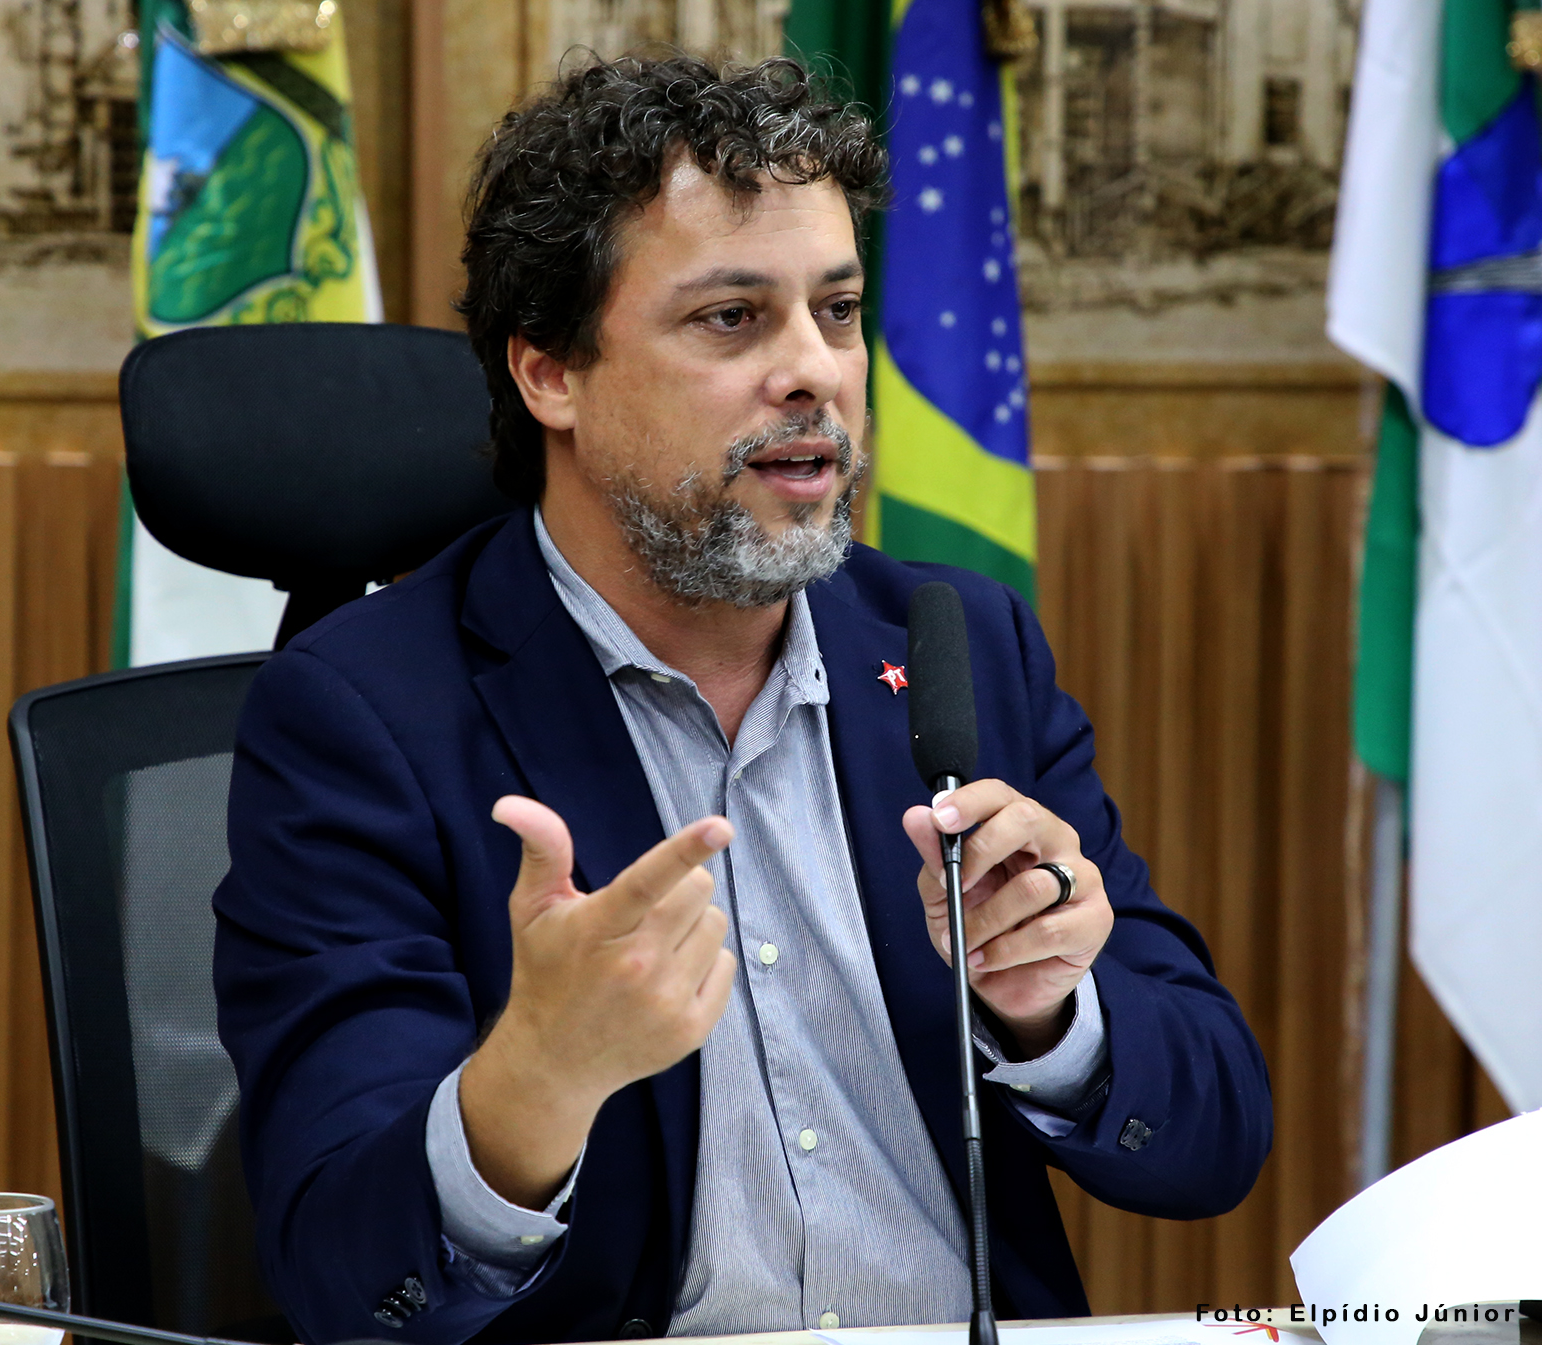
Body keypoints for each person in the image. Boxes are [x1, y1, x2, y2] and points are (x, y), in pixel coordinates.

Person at [213, 51, 1271, 1345]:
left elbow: (1213, 1138)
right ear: (550, 373)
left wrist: (1052, 1008)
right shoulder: (362, 716)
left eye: (839, 310)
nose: (815, 371)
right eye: (732, 318)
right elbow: (345, 1282)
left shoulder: (954, 646)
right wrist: (534, 1084)